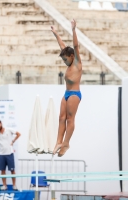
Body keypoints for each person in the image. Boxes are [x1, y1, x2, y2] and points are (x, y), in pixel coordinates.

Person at [51, 19, 82, 157]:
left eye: (65, 60)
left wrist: (74, 30)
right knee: (61, 117)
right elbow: (62, 45)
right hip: (66, 93)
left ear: (71, 56)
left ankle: (66, 143)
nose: (64, 63)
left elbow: (75, 46)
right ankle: (59, 141)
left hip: (74, 94)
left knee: (70, 119)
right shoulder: (69, 62)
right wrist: (55, 33)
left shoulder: (76, 63)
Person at [0, 119, 21, 190]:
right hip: (1, 154)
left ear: (1, 123)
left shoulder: (9, 130)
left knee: (12, 170)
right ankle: (4, 185)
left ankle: (14, 185)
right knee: (2, 170)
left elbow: (18, 134)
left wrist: (13, 141)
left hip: (9, 153)